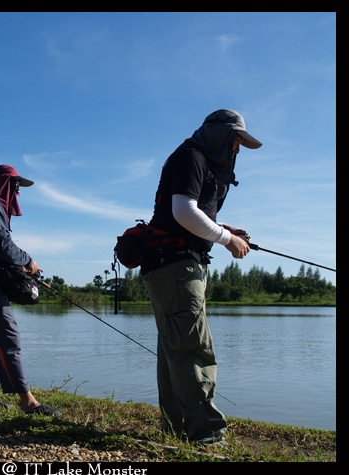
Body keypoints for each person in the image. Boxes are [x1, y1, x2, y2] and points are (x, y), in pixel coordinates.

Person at [141, 109, 262, 444]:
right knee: (193, 349)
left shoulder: (195, 159)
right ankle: (206, 437)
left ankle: (178, 430)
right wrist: (227, 239)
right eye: (236, 141)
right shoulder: (191, 157)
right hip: (177, 267)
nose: (237, 150)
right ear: (222, 135)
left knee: (174, 350)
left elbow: (185, 211)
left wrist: (224, 227)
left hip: (171, 266)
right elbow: (183, 212)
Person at [0, 165, 62, 417]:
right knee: (8, 337)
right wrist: (28, 261)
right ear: (4, 183)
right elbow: (3, 245)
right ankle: (28, 402)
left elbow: (0, 246)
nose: (18, 191)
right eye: (16, 185)